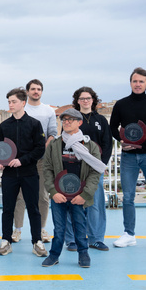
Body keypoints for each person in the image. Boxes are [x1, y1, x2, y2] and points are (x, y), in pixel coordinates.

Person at [110, 67, 146, 251]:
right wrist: (121, 142)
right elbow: (113, 127)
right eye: (135, 81)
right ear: (130, 83)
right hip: (128, 156)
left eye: (141, 81)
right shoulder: (121, 104)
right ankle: (129, 234)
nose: (138, 84)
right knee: (127, 197)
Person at [41, 108, 105, 268]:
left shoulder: (90, 146)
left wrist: (85, 194)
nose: (66, 122)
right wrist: (53, 192)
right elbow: (47, 169)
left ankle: (83, 253)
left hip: (79, 195)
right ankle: (54, 255)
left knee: (80, 225)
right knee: (59, 227)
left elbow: (95, 172)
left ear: (80, 123)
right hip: (59, 194)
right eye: (64, 119)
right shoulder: (54, 144)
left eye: (70, 119)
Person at [0, 88, 47, 257]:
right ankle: (6, 241)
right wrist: (0, 162)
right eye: (9, 102)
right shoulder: (4, 126)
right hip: (9, 175)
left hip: (29, 172)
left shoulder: (34, 124)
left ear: (23, 103)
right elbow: (0, 149)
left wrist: (22, 160)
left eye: (13, 101)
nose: (10, 104)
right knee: (7, 209)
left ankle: (37, 242)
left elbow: (40, 149)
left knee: (33, 208)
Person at [64, 87, 112, 251]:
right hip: (75, 167)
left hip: (95, 169)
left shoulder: (101, 120)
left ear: (93, 100)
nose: (85, 101)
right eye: (82, 98)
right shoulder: (71, 120)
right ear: (77, 101)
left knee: (95, 204)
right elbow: (66, 143)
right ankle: (71, 239)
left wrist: (101, 165)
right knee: (72, 203)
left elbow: (107, 144)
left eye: (88, 98)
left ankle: (96, 239)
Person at [12, 79, 57, 244]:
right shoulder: (21, 109)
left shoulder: (49, 111)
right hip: (23, 161)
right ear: (28, 91)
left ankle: (41, 229)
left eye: (38, 89)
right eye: (33, 89)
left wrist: (41, 148)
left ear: (42, 92)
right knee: (20, 196)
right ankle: (17, 229)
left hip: (43, 160)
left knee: (43, 197)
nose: (36, 91)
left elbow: (53, 133)